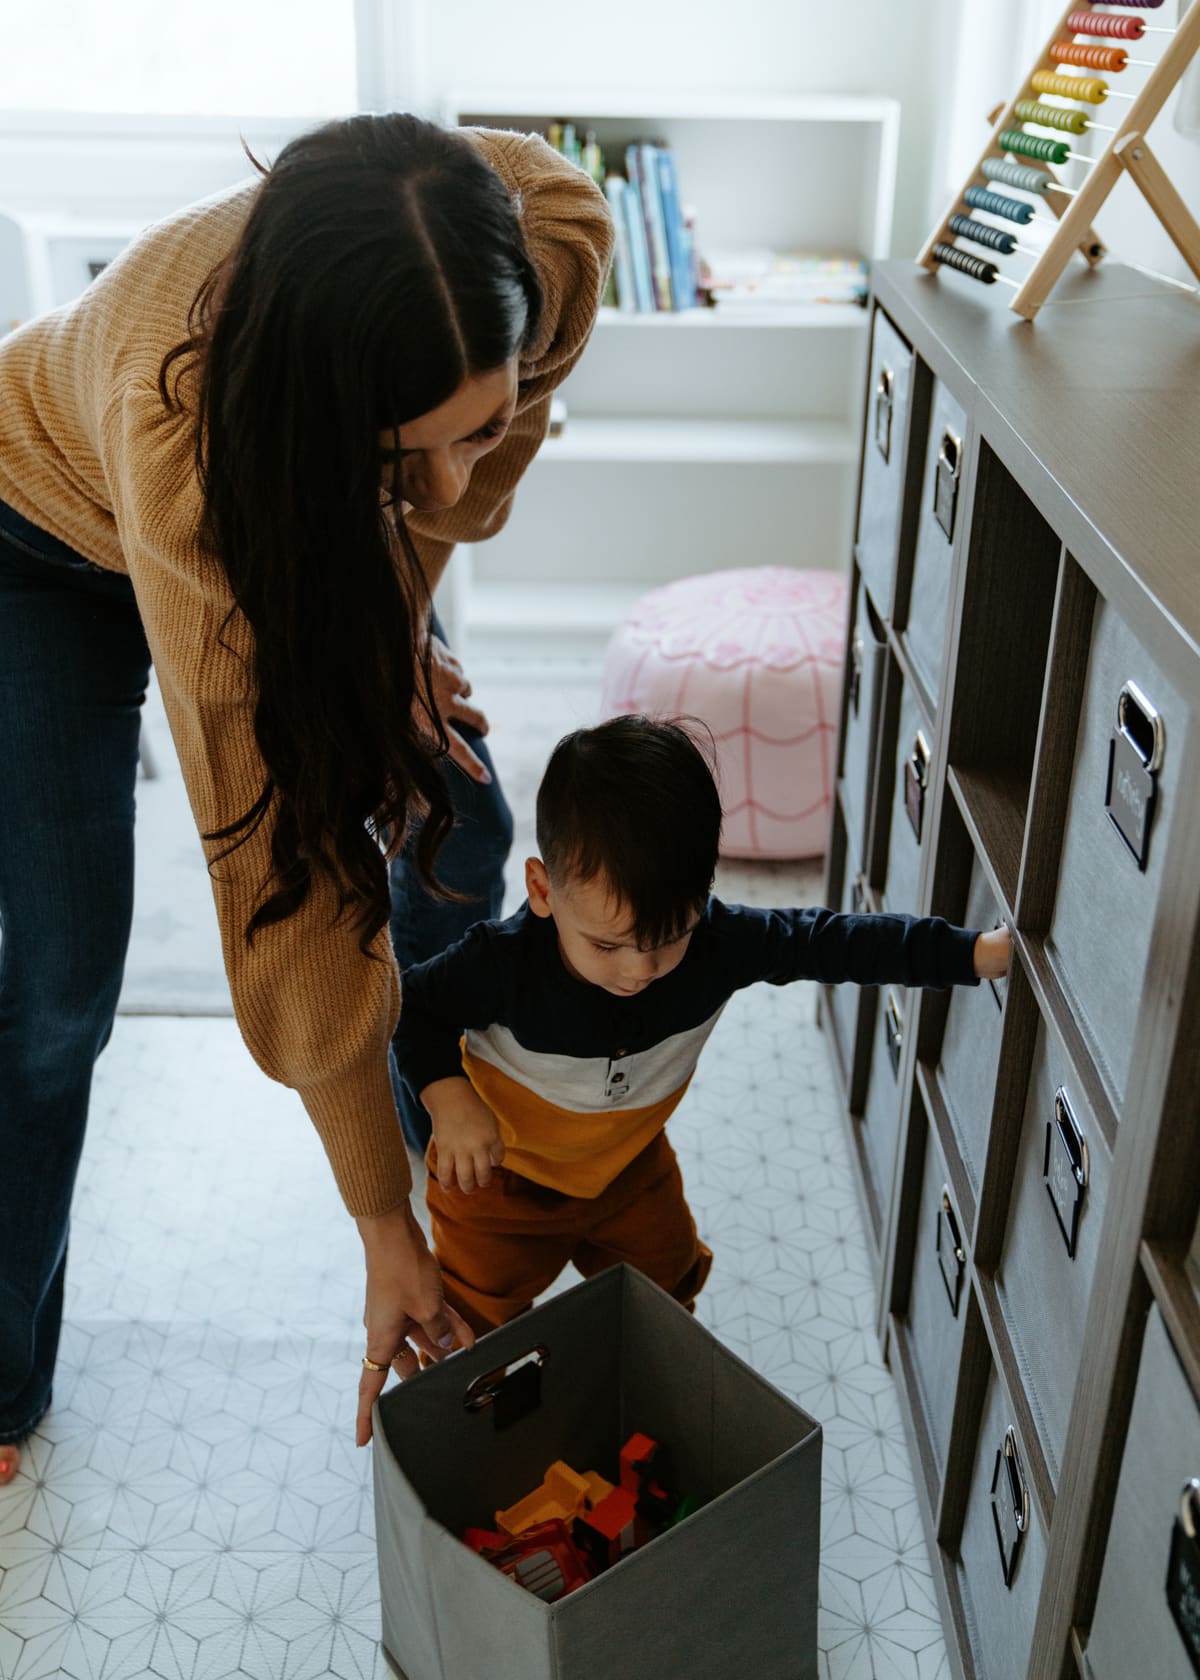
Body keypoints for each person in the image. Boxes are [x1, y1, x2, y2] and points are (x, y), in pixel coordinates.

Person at [0, 112, 614, 1485]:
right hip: (33, 537)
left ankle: (430, 1080)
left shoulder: (550, 242)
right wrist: (380, 1232)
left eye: (487, 424)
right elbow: (283, 870)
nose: (459, 480)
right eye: (411, 461)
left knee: (463, 814)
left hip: (292, 499)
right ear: (333, 434)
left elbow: (448, 500)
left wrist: (396, 635)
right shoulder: (193, 457)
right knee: (55, 990)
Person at [392, 715, 1012, 1332]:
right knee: (467, 1319)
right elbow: (410, 1006)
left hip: (627, 1166)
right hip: (500, 1181)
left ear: (705, 893)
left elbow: (836, 943)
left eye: (670, 937)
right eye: (608, 945)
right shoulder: (499, 961)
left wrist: (969, 953)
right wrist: (447, 1096)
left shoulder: (721, 944)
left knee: (666, 1295)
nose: (641, 970)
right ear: (542, 890)